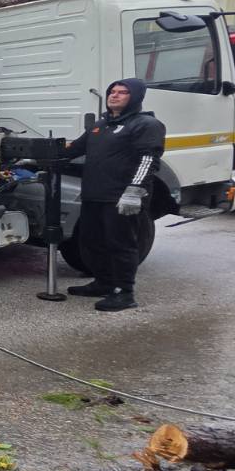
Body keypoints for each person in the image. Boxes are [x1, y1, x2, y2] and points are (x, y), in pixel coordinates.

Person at [63, 78, 165, 312]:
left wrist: (134, 191)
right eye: (112, 91)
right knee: (91, 242)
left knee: (121, 244)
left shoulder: (146, 124)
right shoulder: (101, 125)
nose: (115, 96)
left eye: (123, 92)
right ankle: (104, 282)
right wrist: (36, 158)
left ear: (135, 98)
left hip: (121, 198)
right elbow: (73, 150)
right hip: (94, 195)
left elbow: (148, 159)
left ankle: (124, 292)